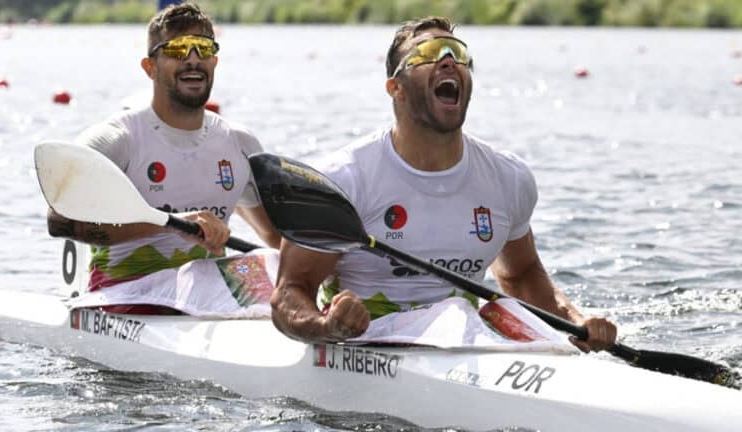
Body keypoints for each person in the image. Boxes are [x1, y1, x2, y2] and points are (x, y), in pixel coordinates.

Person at [271, 16, 617, 352]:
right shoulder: (343, 179)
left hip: (464, 340)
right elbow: (290, 292)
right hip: (366, 344)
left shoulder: (508, 178)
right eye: (429, 53)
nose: (449, 61)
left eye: (458, 53)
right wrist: (325, 326)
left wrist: (576, 321)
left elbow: (521, 275)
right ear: (396, 88)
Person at [46, 3, 280, 313]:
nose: (193, 60)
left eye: (203, 49)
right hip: (127, 290)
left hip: (205, 288)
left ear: (215, 61)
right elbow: (58, 222)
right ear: (150, 67)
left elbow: (276, 238)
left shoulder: (239, 144)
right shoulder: (117, 140)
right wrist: (172, 225)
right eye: (177, 50)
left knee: (280, 271)